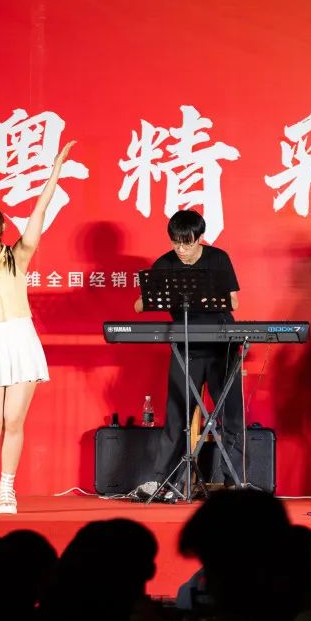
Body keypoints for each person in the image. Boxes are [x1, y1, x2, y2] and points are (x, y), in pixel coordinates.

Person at [0, 140, 76, 514]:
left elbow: (39, 212)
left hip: (22, 340)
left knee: (13, 420)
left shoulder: (18, 255)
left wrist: (55, 171)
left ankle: (6, 488)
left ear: (2, 226)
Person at [134, 209, 244, 499]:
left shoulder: (218, 258)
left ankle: (234, 482)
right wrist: (165, 297)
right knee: (177, 416)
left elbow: (234, 301)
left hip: (222, 346)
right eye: (176, 243)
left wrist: (207, 297)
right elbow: (139, 305)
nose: (181, 250)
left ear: (200, 238)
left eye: (188, 243)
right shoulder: (164, 264)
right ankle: (163, 482)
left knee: (231, 415)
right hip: (186, 347)